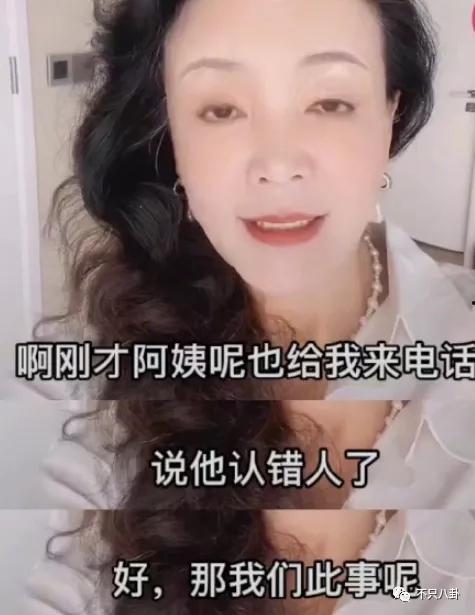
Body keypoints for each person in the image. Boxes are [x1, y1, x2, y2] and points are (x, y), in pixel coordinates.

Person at [17, 0, 475, 614]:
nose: (278, 166)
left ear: (390, 113)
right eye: (221, 109)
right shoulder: (74, 400)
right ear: (169, 132)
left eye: (328, 102)